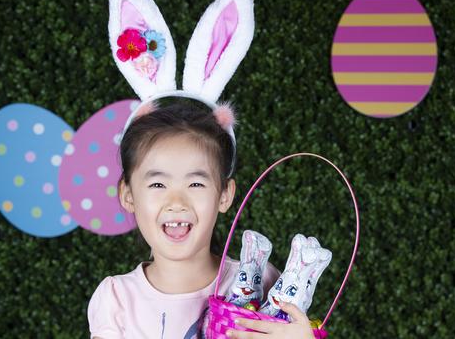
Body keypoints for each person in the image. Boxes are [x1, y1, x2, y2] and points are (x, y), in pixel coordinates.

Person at [87, 101, 316, 338]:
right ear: (128, 194)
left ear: (225, 195)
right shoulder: (117, 299)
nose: (176, 201)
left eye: (196, 183)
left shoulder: (260, 280)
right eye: (157, 184)